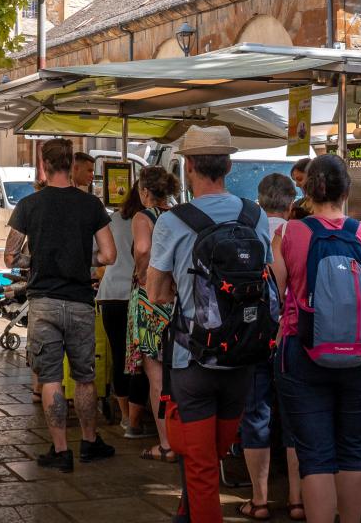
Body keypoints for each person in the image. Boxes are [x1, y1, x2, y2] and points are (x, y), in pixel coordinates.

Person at [147, 125, 273, 523]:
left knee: (201, 466)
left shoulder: (173, 221)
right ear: (229, 165)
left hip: (193, 358)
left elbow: (157, 294)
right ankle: (187, 511)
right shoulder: (256, 217)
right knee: (214, 449)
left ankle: (195, 511)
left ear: (187, 168)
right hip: (243, 354)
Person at [273, 154, 361, 523]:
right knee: (354, 450)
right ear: (347, 190)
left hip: (301, 350)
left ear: (305, 190)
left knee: (315, 454)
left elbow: (276, 295)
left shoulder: (289, 233)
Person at [5, 138, 116, 473]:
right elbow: (109, 255)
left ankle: (61, 450)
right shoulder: (91, 205)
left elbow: (11, 256)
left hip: (44, 303)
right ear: (71, 165)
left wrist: (37, 260)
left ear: (44, 165)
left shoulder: (29, 205)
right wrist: (84, 260)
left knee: (50, 376)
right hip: (81, 302)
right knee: (84, 378)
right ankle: (90, 442)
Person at [239, 172, 302, 521]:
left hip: (256, 335)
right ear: (292, 203)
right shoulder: (300, 233)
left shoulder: (250, 232)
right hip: (294, 335)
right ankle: (297, 500)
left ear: (259, 201)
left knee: (256, 413)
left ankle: (259, 500)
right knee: (296, 415)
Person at [125, 166, 178, 462]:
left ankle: (167, 443)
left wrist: (144, 274)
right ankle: (183, 437)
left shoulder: (143, 217)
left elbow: (143, 249)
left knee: (155, 373)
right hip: (177, 298)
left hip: (151, 300)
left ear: (144, 191)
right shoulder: (178, 214)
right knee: (177, 371)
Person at [97, 180, 150, 437]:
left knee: (120, 356)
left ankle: (125, 417)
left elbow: (98, 253)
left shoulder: (113, 219)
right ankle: (136, 422)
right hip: (138, 295)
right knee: (140, 360)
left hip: (110, 295)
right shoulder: (156, 220)